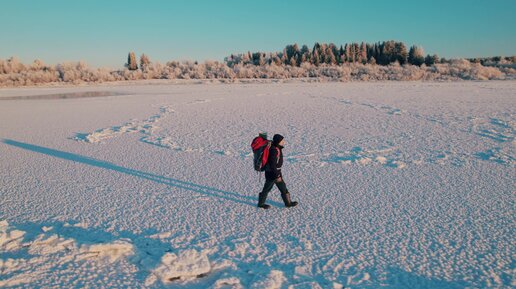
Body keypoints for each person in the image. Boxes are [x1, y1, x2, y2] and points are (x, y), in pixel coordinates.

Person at [257, 134, 298, 209]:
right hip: (272, 174)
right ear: (278, 141)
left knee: (283, 187)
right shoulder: (274, 150)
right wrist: (277, 175)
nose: (284, 142)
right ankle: (261, 204)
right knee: (267, 189)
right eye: (282, 141)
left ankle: (288, 203)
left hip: (276, 172)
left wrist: (278, 174)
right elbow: (272, 165)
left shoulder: (277, 148)